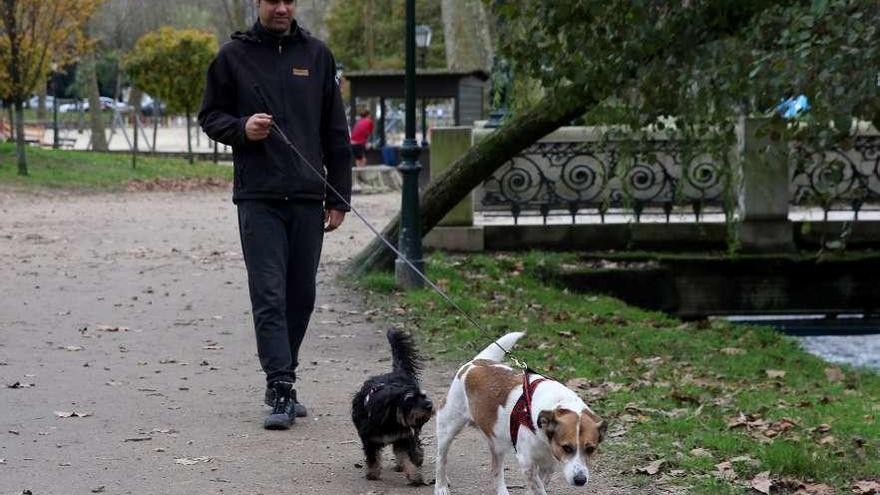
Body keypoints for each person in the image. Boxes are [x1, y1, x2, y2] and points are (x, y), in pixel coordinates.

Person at [198, 0, 352, 431]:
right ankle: (281, 386)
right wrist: (242, 129)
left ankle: (283, 373)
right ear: (258, 4)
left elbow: (335, 130)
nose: (281, 8)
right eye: (272, 0)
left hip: (308, 196)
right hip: (258, 196)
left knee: (300, 295)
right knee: (269, 293)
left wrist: (339, 197)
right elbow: (210, 116)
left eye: (288, 0)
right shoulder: (233, 56)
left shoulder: (317, 55)